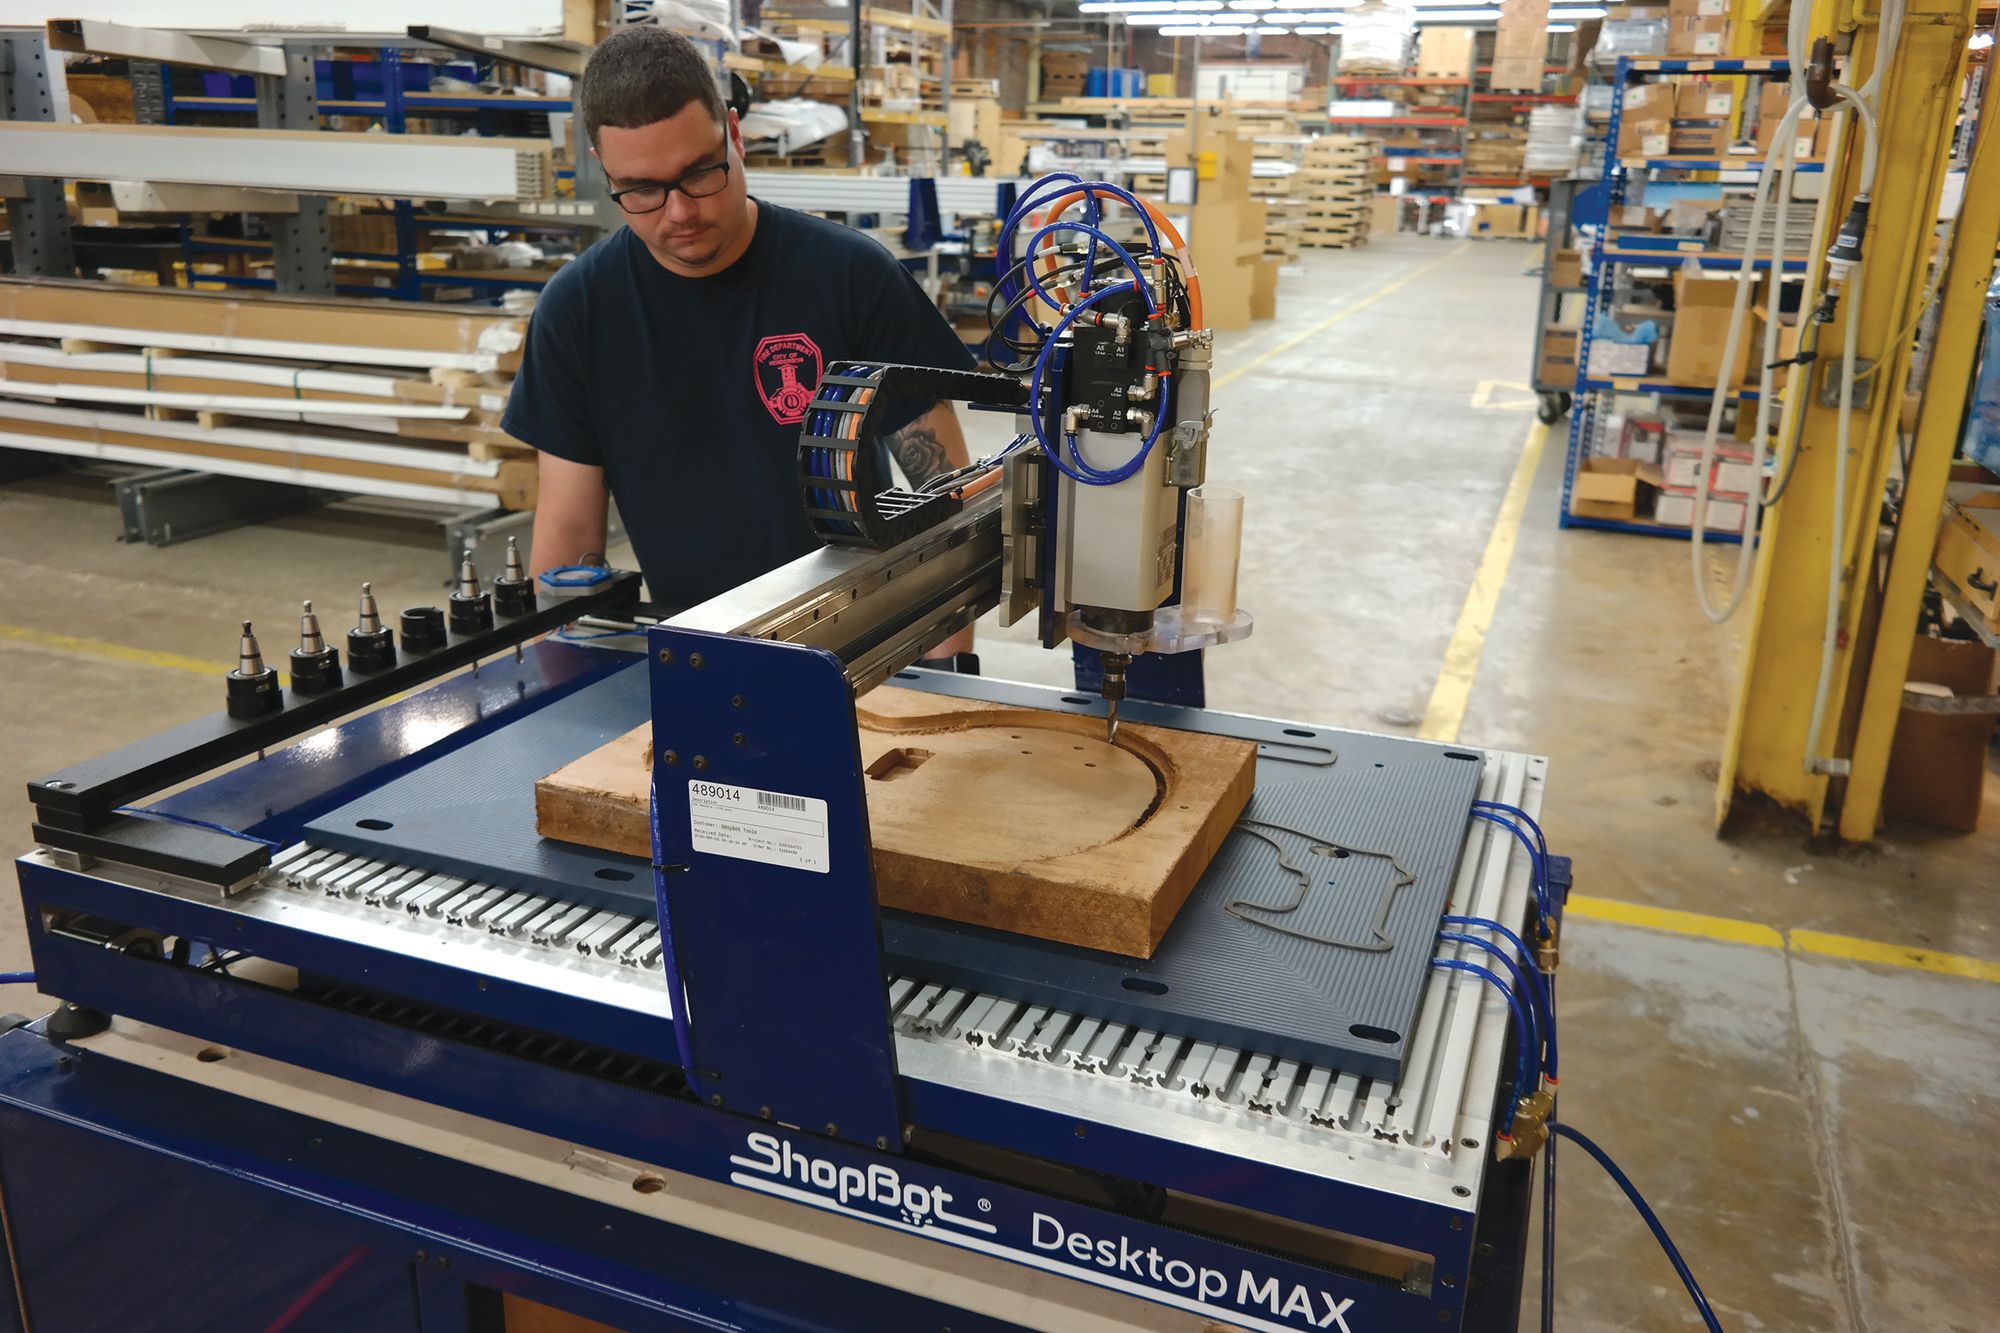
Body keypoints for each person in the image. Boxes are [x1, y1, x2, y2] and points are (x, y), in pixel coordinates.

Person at [504, 25, 978, 659]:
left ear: (734, 133)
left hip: (862, 648)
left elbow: (941, 497)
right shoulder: (578, 311)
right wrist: (557, 678)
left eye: (699, 173)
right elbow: (567, 535)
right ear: (603, 167)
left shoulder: (851, 277)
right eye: (642, 190)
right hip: (688, 653)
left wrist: (945, 672)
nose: (679, 212)